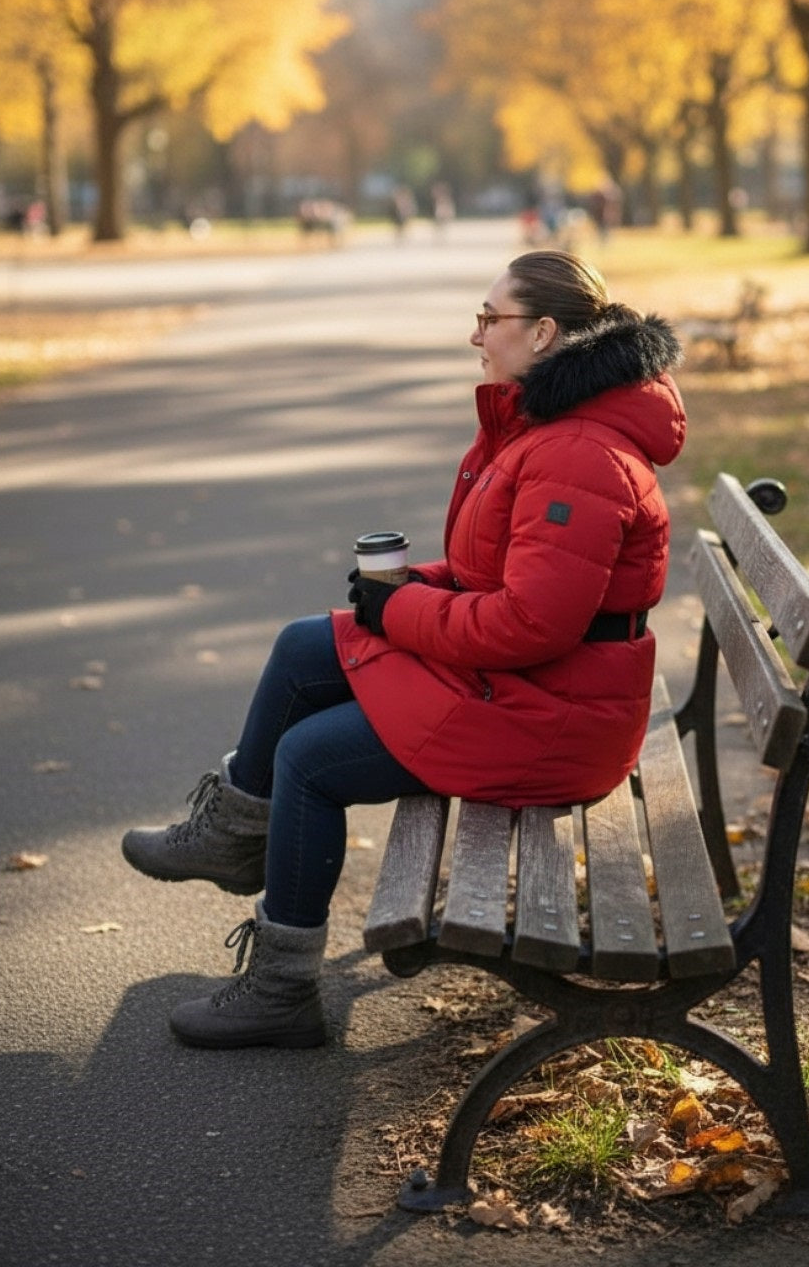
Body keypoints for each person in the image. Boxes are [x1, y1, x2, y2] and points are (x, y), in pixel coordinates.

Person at [121, 251, 686, 1050]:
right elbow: (502, 576)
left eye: (490, 319)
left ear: (545, 332)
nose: (474, 335)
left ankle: (281, 991)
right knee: (305, 645)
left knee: (311, 759)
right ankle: (235, 835)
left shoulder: (577, 455)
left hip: (552, 720)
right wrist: (410, 586)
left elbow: (532, 625)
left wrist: (402, 609)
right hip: (535, 691)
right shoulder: (544, 427)